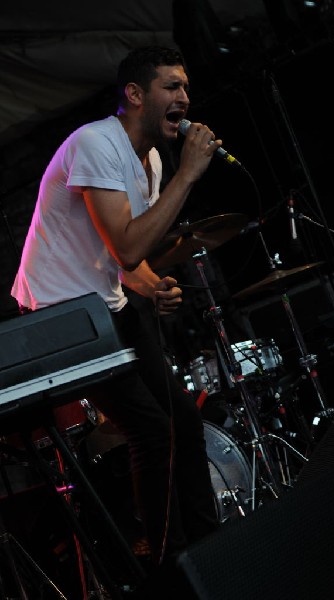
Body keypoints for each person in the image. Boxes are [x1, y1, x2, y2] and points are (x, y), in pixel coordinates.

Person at [10, 45, 221, 571]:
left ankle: (214, 549)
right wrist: (188, 175)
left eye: (186, 88)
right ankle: (170, 567)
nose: (184, 97)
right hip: (59, 317)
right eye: (171, 86)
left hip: (105, 304)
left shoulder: (148, 158)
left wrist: (151, 286)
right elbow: (127, 246)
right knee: (152, 431)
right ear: (134, 95)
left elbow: (121, 258)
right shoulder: (95, 143)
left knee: (183, 422)